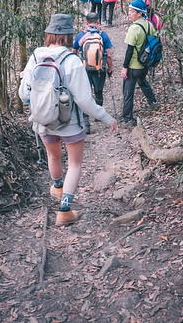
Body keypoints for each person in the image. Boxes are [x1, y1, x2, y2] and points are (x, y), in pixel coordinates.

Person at [19, 14, 118, 226]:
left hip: (43, 121)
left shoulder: (36, 56)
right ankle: (64, 210)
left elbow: (23, 94)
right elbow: (84, 101)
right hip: (69, 122)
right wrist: (107, 118)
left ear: (49, 34)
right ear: (68, 36)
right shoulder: (71, 61)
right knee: (74, 164)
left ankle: (57, 187)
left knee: (53, 157)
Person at [119, 0, 158, 127]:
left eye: (132, 11)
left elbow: (129, 51)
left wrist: (125, 67)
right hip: (144, 64)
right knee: (143, 82)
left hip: (134, 66)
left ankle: (127, 117)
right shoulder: (148, 24)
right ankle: (153, 102)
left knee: (128, 91)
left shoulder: (134, 28)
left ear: (140, 13)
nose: (129, 13)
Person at [73, 12, 113, 134]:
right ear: (98, 22)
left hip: (84, 69)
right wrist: (110, 68)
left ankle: (86, 123)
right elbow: (109, 55)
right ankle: (98, 115)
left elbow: (74, 51)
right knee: (98, 91)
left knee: (85, 94)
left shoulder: (81, 36)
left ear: (86, 23)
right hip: (99, 69)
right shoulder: (103, 35)